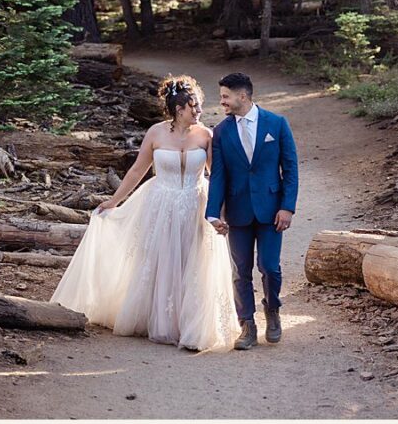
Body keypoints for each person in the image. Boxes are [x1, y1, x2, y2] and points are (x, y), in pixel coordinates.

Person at [50, 75, 240, 351]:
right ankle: (161, 321)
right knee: (160, 259)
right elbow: (137, 170)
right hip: (161, 203)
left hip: (195, 203)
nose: (199, 111)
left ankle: (190, 324)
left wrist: (220, 211)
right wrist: (114, 201)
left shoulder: (206, 135)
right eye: (194, 106)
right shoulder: (155, 133)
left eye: (199, 106)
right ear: (179, 109)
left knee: (192, 261)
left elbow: (217, 175)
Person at [204, 71, 299, 350]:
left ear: (242, 96)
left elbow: (290, 169)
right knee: (240, 271)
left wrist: (287, 207)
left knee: (269, 267)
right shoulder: (221, 131)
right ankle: (246, 324)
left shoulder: (277, 124)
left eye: (225, 96)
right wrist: (213, 213)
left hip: (272, 211)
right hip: (239, 210)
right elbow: (218, 175)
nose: (221, 101)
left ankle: (273, 311)